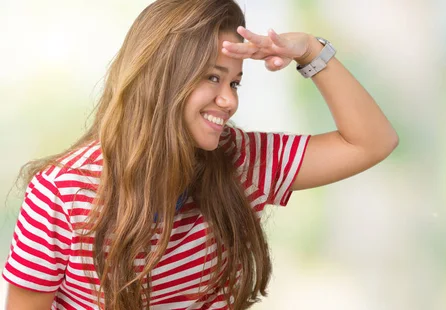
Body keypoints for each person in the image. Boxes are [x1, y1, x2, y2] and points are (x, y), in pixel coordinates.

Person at [2, 0, 398, 309]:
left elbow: (372, 142)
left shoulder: (240, 160)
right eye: (212, 77)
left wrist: (309, 49)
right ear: (163, 76)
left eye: (236, 83)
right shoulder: (62, 194)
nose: (228, 100)